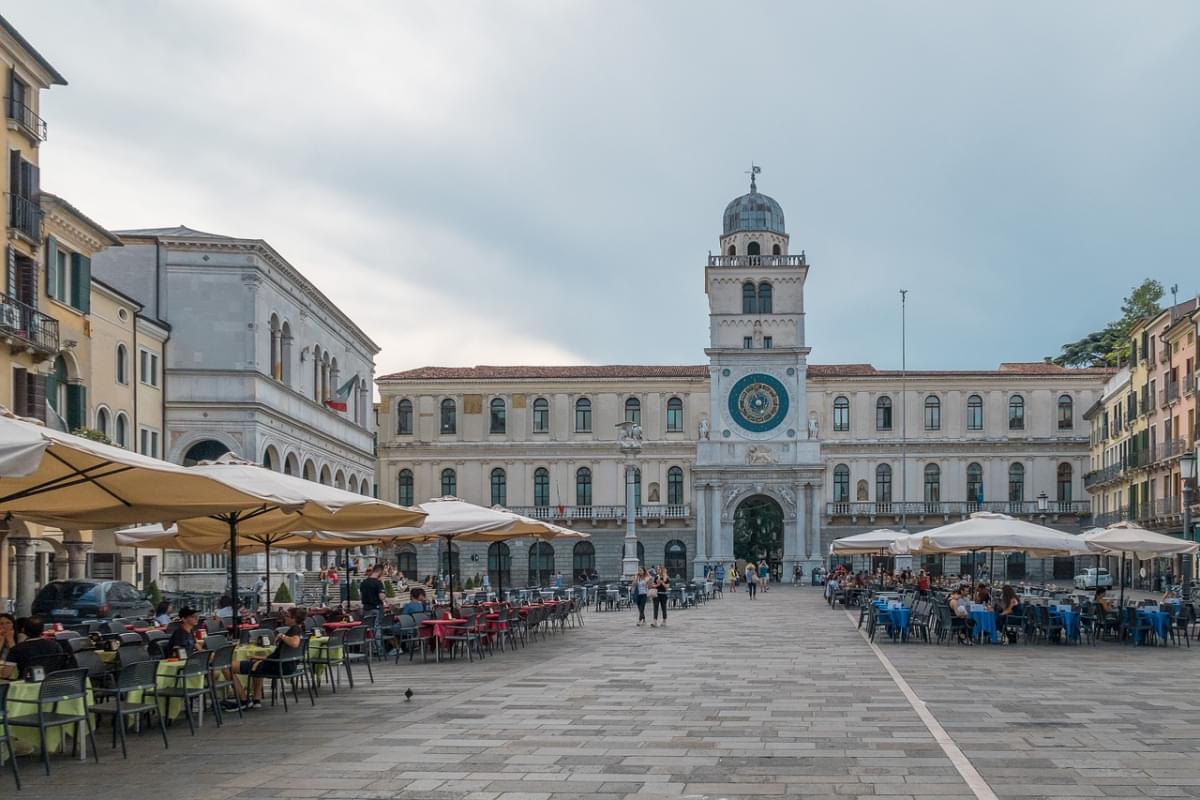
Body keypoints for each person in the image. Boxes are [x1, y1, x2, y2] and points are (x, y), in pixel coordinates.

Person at [229, 606, 306, 710]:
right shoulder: (301, 629)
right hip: (285, 665)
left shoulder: (295, 629)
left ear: (294, 618)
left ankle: (243, 700)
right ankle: (256, 700)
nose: (285, 618)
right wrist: (261, 657)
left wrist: (282, 636)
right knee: (256, 664)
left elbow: (294, 643)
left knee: (229, 667)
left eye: (287, 616)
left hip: (276, 666)